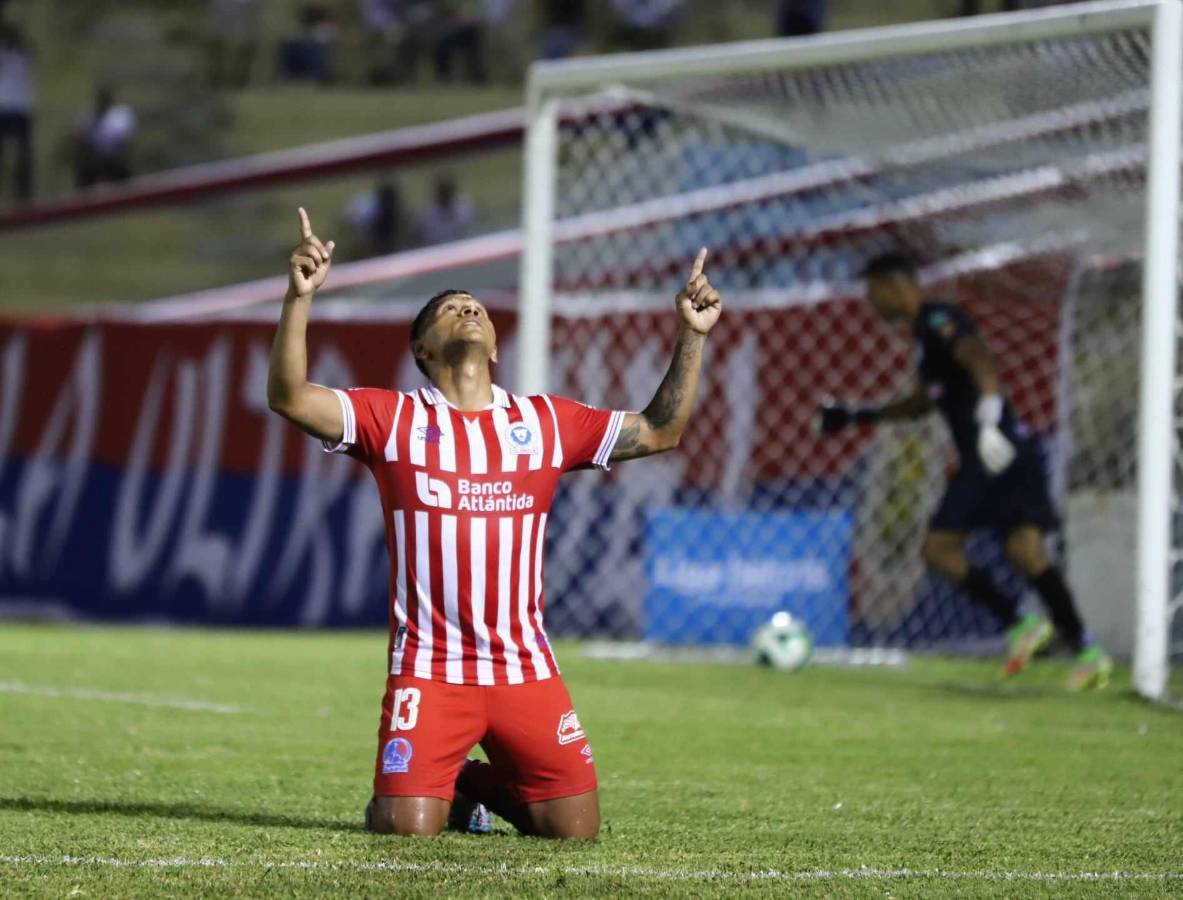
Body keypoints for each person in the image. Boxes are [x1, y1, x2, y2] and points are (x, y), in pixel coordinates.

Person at [267, 208, 722, 837]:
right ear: (422, 349)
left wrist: (692, 335)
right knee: (403, 831)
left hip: (523, 667)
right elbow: (289, 397)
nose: (468, 309)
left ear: (498, 346)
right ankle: (433, 788)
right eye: (450, 308)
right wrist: (299, 297)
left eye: (475, 305)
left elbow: (662, 430)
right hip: (429, 668)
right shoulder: (391, 419)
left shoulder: (546, 422)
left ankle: (461, 782)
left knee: (575, 833)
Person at [818, 251, 1111, 690]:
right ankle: (1087, 650)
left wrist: (990, 415)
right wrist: (858, 416)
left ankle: (1021, 624)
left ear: (896, 285)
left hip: (992, 451)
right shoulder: (923, 337)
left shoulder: (938, 318)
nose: (871, 301)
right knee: (1027, 554)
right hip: (1013, 451)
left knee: (938, 550)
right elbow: (922, 401)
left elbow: (979, 358)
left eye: (873, 290)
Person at [74, 87, 136, 189]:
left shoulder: (120, 115)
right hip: (95, 159)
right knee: (85, 174)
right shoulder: (89, 117)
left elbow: (127, 137)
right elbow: (79, 136)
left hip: (115, 158)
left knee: (125, 183)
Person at [0, 17, 34, 201]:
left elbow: (31, 52)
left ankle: (23, 192)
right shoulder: (3, 56)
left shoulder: (23, 56)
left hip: (19, 108)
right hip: (5, 108)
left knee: (24, 153)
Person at [416, 174, 474, 246]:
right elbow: (427, 236)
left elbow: (466, 234)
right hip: (436, 250)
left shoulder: (463, 208)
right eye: (442, 193)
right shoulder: (428, 213)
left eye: (446, 192)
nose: (444, 196)